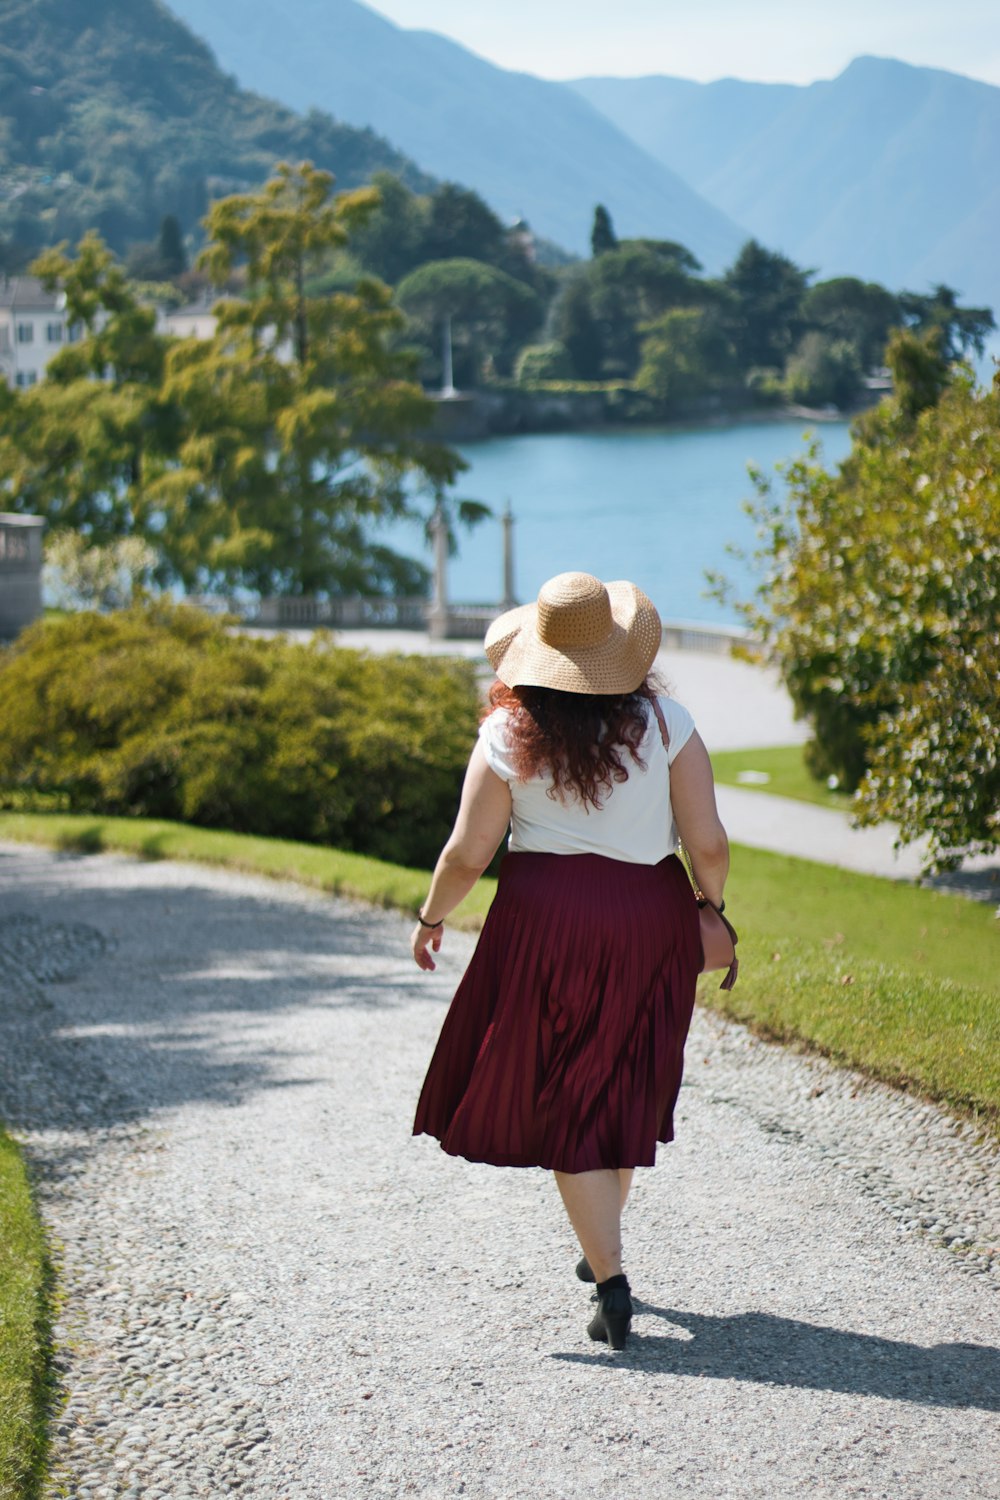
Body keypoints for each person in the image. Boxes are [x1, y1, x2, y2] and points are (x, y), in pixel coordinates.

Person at [410, 571, 730, 1351]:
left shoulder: (509, 736)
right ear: (623, 655)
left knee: (567, 1094)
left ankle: (611, 1278)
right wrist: (711, 907)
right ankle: (604, 1254)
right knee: (622, 1078)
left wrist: (430, 918)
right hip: (647, 921)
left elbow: (465, 854)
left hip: (542, 922)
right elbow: (709, 841)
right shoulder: (669, 723)